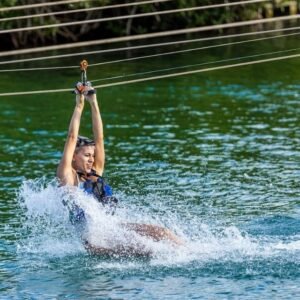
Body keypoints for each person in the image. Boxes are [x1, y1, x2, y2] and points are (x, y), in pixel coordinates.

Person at [56, 84, 182, 256]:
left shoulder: (95, 172)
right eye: (86, 155)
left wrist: (93, 102)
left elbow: (99, 139)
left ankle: (192, 255)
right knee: (147, 250)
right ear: (73, 157)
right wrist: (79, 105)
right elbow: (71, 138)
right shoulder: (68, 179)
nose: (92, 159)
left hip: (112, 228)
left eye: (92, 156)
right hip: (94, 243)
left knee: (162, 233)